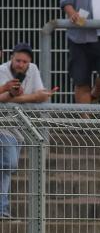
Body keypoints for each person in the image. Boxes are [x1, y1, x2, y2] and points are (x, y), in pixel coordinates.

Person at [0, 43, 57, 220]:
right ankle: (2, 208)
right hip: (3, 125)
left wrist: (16, 97)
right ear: (11, 57)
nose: (21, 64)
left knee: (6, 167)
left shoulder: (33, 69)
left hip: (18, 127)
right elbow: (3, 98)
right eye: (18, 60)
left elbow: (40, 96)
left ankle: (2, 209)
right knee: (8, 164)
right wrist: (14, 95)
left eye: (25, 61)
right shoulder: (2, 70)